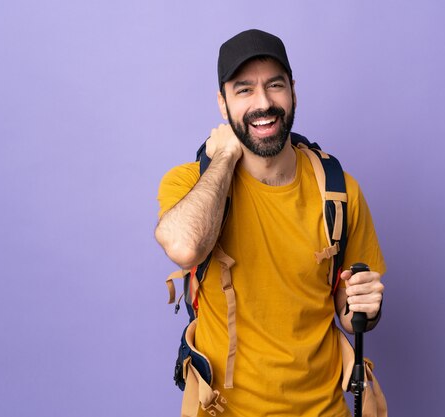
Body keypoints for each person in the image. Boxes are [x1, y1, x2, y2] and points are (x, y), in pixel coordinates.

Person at [155, 29, 386, 417]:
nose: (263, 102)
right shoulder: (189, 183)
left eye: (274, 85)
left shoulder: (338, 191)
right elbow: (185, 247)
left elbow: (350, 314)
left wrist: (367, 305)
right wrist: (225, 158)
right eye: (244, 90)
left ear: (292, 91)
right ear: (222, 103)